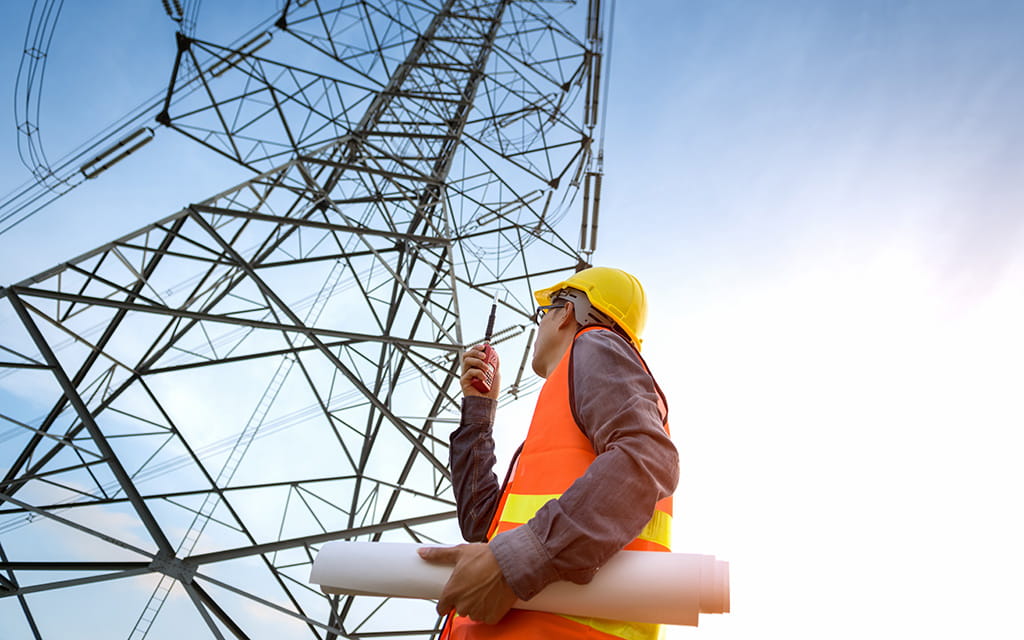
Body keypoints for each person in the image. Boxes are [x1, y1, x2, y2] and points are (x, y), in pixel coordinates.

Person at [419, 267, 678, 640]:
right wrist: (479, 410)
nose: (540, 324)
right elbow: (482, 525)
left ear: (566, 312)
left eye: (543, 314)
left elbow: (648, 458)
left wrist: (519, 559)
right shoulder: (566, 407)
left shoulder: (596, 343)